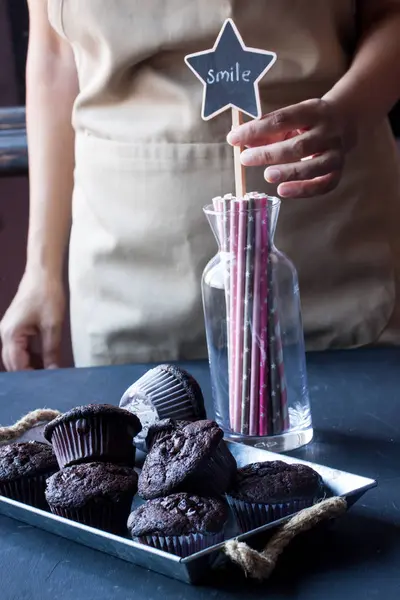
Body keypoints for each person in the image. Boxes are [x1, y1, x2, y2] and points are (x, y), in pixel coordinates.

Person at [1, 1, 400, 370]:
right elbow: (55, 55)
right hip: (126, 263)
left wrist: (347, 112)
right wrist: (40, 270)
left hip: (326, 237)